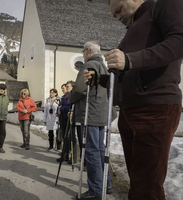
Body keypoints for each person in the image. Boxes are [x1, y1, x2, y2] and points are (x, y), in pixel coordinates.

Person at [84, 0, 183, 199]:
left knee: (146, 187)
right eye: (114, 15)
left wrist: (131, 60)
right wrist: (100, 79)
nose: (117, 17)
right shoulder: (136, 25)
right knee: (139, 181)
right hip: (132, 111)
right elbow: (128, 77)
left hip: (154, 108)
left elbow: (182, 41)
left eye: (119, 10)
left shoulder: (166, 4)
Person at [69, 41, 114, 200]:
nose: (82, 54)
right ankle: (105, 184)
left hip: (90, 115)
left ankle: (95, 190)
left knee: (92, 152)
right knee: (100, 150)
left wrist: (70, 98)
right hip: (102, 114)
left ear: (88, 51)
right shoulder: (104, 67)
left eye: (83, 52)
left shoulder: (89, 65)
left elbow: (80, 89)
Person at [56, 81, 77, 164]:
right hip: (63, 119)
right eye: (66, 86)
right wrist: (59, 110)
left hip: (70, 119)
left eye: (68, 86)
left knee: (72, 138)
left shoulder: (72, 96)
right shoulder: (64, 96)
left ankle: (73, 157)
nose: (66, 87)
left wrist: (61, 108)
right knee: (65, 138)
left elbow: (69, 107)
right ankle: (65, 155)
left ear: (72, 87)